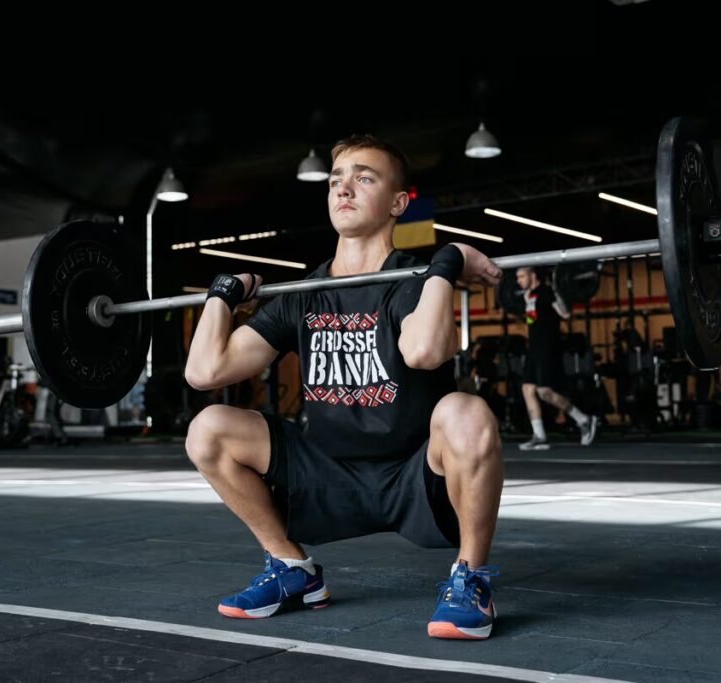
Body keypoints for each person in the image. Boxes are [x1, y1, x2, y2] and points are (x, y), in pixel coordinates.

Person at [184, 134, 505, 640]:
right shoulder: (304, 294)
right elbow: (204, 371)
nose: (344, 189)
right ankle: (293, 569)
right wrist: (221, 297)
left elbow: (422, 352)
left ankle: (470, 580)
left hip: (415, 480)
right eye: (336, 180)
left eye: (364, 178)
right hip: (328, 478)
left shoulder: (411, 280)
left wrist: (445, 261)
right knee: (208, 430)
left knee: (466, 411)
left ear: (399, 203)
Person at [515, 266, 597, 450]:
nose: (519, 280)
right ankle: (539, 436)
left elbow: (565, 314)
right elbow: (532, 321)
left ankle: (583, 419)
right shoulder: (528, 296)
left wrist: (558, 293)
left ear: (533, 276)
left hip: (547, 348)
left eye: (521, 276)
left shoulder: (547, 292)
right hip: (534, 349)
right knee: (527, 389)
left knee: (544, 392)